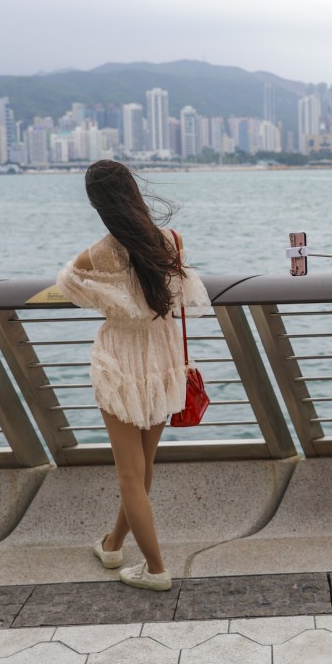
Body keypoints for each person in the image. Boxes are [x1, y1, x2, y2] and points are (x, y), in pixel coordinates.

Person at [56, 159, 209, 591]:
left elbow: (68, 284)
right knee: (141, 469)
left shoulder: (97, 254)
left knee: (129, 473)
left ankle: (156, 569)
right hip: (162, 359)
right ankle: (112, 544)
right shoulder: (172, 241)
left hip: (121, 360)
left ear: (97, 203)